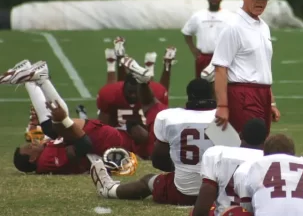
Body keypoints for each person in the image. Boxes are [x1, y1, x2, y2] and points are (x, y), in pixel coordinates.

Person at [0, 60, 154, 174]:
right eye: (29, 147)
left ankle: (34, 78)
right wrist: (65, 122)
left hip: (103, 139)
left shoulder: (44, 155)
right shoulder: (46, 160)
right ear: (32, 159)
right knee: (55, 125)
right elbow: (82, 146)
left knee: (52, 127)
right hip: (102, 140)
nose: (32, 143)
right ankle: (39, 79)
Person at [90, 78, 218, 206]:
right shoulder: (223, 119)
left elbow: (158, 161)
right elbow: (235, 157)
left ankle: (110, 190)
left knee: (148, 181)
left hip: (184, 194)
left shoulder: (171, 118)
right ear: (212, 94)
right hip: (218, 193)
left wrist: (181, 166)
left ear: (189, 96)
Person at [211, 0, 281, 137]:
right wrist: (222, 106)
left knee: (260, 143)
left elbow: (262, 66)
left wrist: (271, 101)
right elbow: (220, 68)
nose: (260, 2)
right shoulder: (233, 26)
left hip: (262, 94)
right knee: (247, 145)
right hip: (243, 94)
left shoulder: (263, 27)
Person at [232, 134, 303, 216]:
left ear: (265, 153)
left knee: (236, 212)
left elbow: (246, 207)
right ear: (293, 153)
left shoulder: (251, 166)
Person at [191, 118, 267, 216]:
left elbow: (206, 194)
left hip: (225, 213)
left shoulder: (218, 154)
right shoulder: (269, 161)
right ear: (265, 139)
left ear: (240, 135)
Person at [96, 55, 169, 131]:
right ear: (123, 88)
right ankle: (145, 77)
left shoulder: (156, 92)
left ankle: (143, 79)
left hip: (143, 136)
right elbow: (102, 127)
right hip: (120, 137)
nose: (133, 95)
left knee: (158, 113)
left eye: (135, 92)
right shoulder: (110, 94)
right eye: (130, 92)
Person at [181, 0, 233, 78]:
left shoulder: (229, 16)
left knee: (221, 86)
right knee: (202, 87)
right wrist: (193, 50)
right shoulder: (198, 16)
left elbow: (235, 35)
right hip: (203, 57)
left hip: (221, 58)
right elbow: (187, 32)